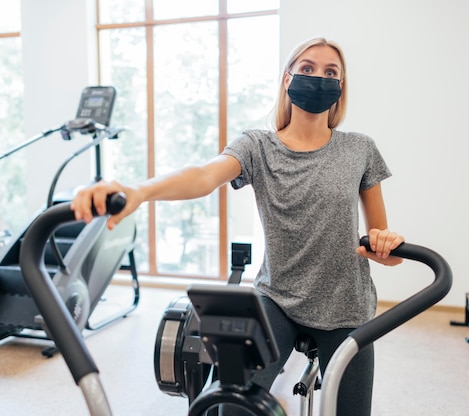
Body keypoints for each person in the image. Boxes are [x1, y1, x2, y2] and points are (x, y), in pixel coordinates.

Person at [71, 37, 404, 416]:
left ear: (340, 87)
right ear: (287, 79)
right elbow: (202, 176)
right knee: (229, 405)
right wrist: (139, 191)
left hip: (346, 305)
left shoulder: (359, 149)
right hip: (277, 297)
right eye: (308, 68)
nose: (318, 78)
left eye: (331, 73)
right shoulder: (257, 146)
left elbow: (385, 252)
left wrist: (386, 243)